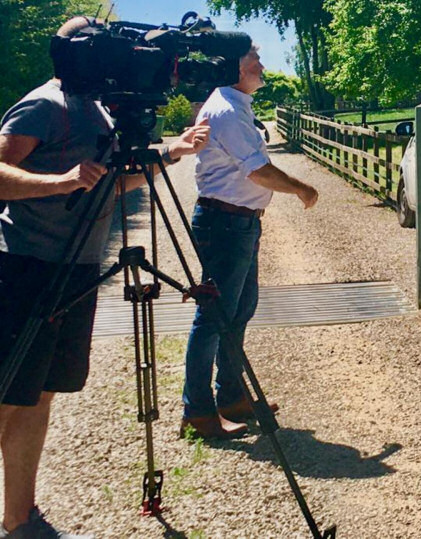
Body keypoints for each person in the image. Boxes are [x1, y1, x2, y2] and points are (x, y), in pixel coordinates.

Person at [0, 16, 211, 539]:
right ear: (77, 53)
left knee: (40, 393)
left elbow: (114, 185)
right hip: (26, 264)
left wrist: (172, 153)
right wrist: (58, 182)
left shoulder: (97, 106)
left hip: (76, 266)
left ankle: (19, 520)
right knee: (7, 394)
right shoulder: (43, 104)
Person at [181, 46, 318, 439]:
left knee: (238, 311)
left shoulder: (234, 104)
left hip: (236, 223)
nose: (261, 67)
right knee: (215, 317)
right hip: (225, 223)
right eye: (253, 61)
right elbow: (257, 171)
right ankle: (199, 409)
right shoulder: (226, 109)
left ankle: (230, 396)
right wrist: (301, 188)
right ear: (232, 68)